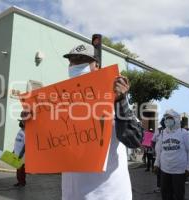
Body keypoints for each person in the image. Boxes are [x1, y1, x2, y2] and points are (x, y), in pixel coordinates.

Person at [61, 44, 143, 200]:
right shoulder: (60, 103)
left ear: (96, 66)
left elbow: (134, 139)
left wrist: (120, 101)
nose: (76, 65)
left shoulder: (114, 98)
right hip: (72, 194)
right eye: (72, 61)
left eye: (82, 60)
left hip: (108, 195)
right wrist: (30, 123)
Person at [154, 109, 189, 200]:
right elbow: (159, 150)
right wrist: (156, 164)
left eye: (170, 118)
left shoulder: (184, 133)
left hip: (179, 171)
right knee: (165, 194)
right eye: (166, 118)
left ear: (176, 119)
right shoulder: (163, 133)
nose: (167, 120)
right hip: (165, 170)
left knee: (178, 195)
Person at [13, 111, 27, 187]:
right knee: (18, 169)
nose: (20, 122)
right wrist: (14, 150)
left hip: (22, 155)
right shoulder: (20, 130)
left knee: (21, 169)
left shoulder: (26, 132)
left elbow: (26, 144)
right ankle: (19, 181)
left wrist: (21, 153)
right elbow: (17, 141)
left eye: (21, 121)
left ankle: (22, 182)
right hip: (17, 153)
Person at [152, 117, 165, 193]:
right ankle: (159, 187)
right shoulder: (158, 131)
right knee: (159, 171)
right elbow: (153, 141)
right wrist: (154, 150)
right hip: (159, 155)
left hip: (168, 155)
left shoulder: (171, 131)